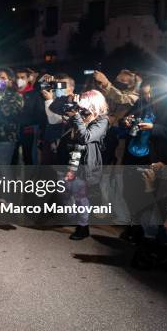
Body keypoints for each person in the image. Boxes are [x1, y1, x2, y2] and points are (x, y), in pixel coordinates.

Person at [52, 90, 109, 240]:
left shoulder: (102, 120)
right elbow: (54, 108)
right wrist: (68, 98)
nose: (81, 103)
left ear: (93, 102)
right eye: (80, 99)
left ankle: (83, 227)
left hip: (83, 163)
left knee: (80, 196)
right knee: (63, 191)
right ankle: (71, 216)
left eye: (84, 100)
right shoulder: (77, 114)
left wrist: (76, 116)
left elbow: (86, 137)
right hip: (67, 160)